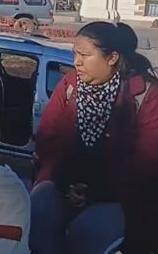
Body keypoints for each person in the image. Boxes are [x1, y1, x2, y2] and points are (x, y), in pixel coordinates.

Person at [30, 22, 158, 254]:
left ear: (112, 58)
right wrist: (62, 181)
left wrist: (98, 192)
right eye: (75, 54)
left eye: (85, 55)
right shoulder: (70, 84)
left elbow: (147, 162)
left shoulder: (146, 94)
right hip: (63, 187)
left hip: (119, 201)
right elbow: (48, 136)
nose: (77, 62)